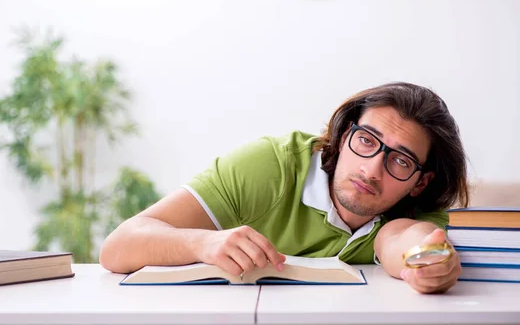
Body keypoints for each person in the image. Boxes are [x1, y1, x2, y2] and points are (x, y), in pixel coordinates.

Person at [100, 82, 469, 294]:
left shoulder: (419, 205)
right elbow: (118, 247)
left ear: (420, 182)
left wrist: (427, 262)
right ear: (343, 137)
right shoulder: (269, 165)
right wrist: (204, 243)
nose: (372, 169)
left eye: (400, 161)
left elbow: (401, 240)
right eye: (367, 140)